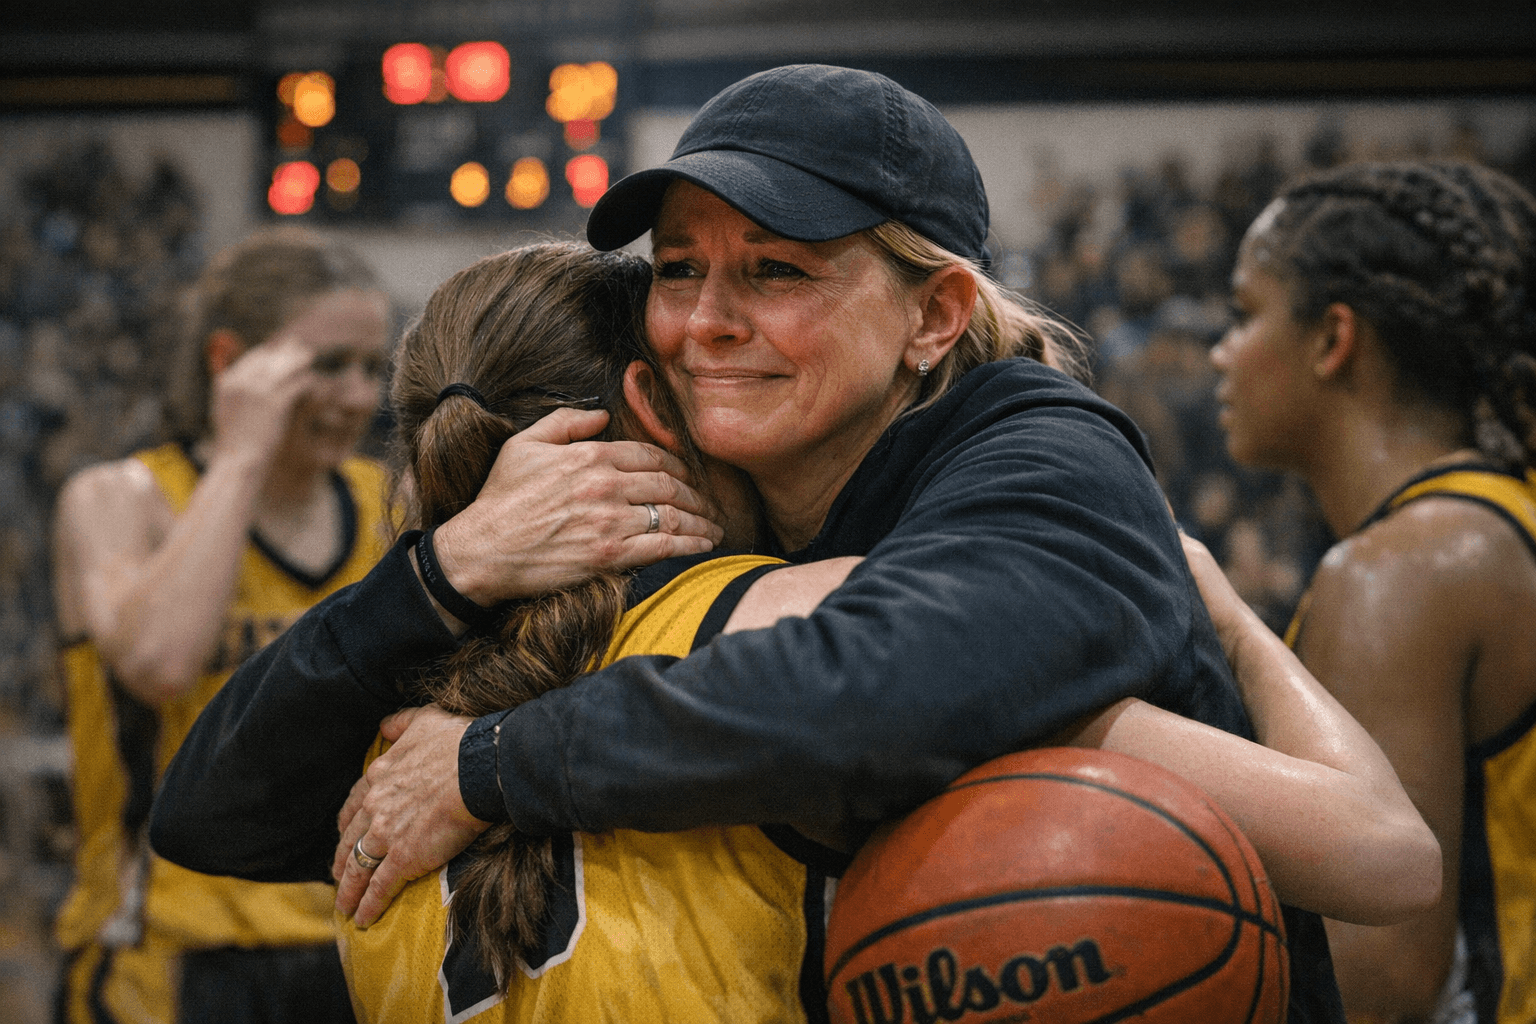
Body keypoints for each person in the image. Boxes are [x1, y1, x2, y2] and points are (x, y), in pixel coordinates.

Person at [157, 65, 1350, 1021]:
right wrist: (444, 572)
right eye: (680, 271)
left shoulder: (1041, 458)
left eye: (775, 271)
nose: (709, 322)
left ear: (935, 314)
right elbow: (207, 814)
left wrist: (487, 765)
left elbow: (887, 683)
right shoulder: (656, 588)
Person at [1210, 160, 1536, 1024]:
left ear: (1332, 340)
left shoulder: (1400, 573)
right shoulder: (1500, 518)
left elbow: (1379, 979)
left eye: (1245, 315)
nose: (1221, 351)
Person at [52, 227, 391, 1024]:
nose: (357, 396)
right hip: (165, 953)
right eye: (327, 364)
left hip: (347, 941)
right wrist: (241, 455)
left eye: (372, 367)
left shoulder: (388, 507)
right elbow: (161, 664)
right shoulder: (120, 499)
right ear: (227, 361)